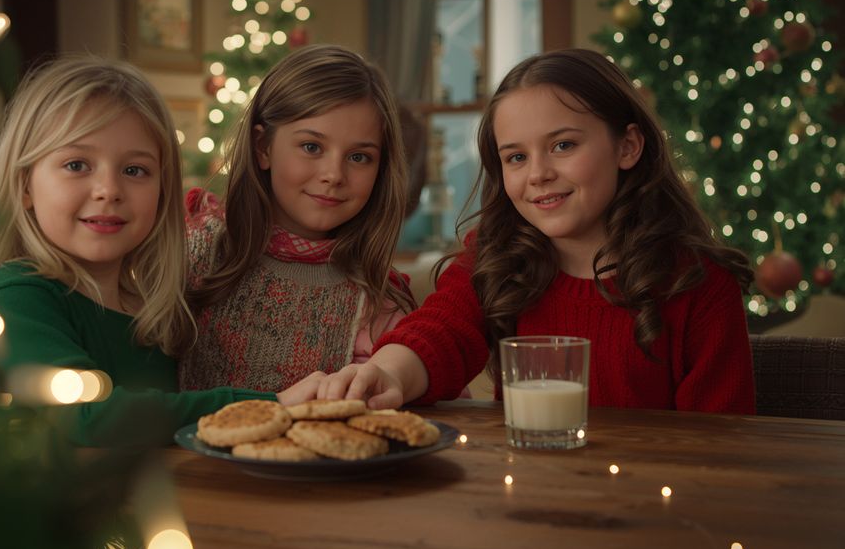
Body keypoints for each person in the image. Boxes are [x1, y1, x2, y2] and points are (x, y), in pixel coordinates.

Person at [297, 48, 755, 413]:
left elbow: (719, 451)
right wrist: (389, 374)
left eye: (563, 145)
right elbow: (441, 329)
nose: (537, 174)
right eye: (516, 157)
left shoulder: (700, 285)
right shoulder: (497, 258)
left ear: (628, 146)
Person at [0, 55, 280, 446]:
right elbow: (82, 417)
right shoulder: (17, 293)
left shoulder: (152, 311)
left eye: (134, 170)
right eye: (77, 164)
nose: (108, 189)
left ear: (162, 195)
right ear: (25, 186)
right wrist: (262, 405)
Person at [180, 44, 416, 393]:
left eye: (359, 157)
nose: (334, 174)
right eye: (312, 147)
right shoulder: (193, 252)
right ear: (263, 148)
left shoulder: (378, 302)